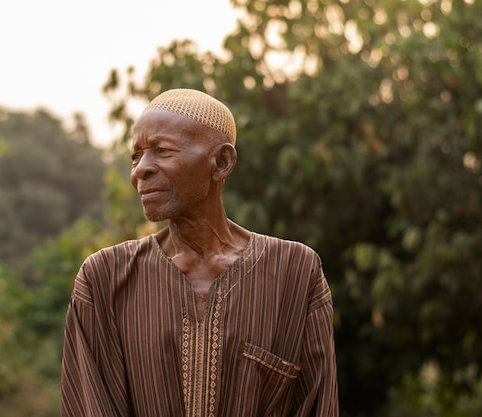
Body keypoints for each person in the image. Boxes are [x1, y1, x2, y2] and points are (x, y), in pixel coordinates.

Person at [60, 88, 338, 416]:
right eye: (136, 156)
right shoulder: (104, 279)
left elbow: (317, 405)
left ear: (221, 162)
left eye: (162, 151)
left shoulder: (296, 272)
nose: (140, 170)